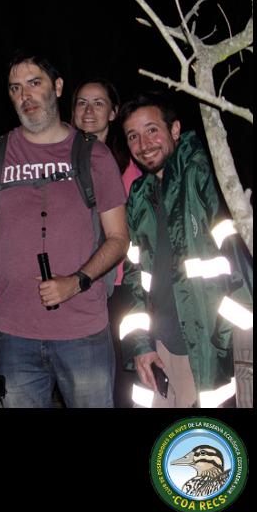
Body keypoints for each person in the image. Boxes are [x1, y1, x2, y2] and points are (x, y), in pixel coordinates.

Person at [0, 53, 129, 408]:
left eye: (34, 83)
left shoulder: (94, 156)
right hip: (13, 334)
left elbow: (119, 240)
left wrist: (77, 281)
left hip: (83, 332)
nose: (24, 95)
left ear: (57, 87)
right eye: (15, 88)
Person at [118, 91, 253, 408]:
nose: (144, 144)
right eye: (133, 136)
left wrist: (221, 340)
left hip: (209, 344)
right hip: (160, 347)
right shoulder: (139, 194)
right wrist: (141, 345)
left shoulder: (204, 173)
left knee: (205, 436)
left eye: (152, 130)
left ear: (175, 129)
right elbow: (134, 277)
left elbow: (240, 263)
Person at [71, 79, 141, 407]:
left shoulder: (130, 164)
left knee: (126, 380)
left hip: (122, 287)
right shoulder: (60, 163)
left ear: (113, 113)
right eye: (81, 103)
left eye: (98, 103)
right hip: (75, 287)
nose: (88, 111)